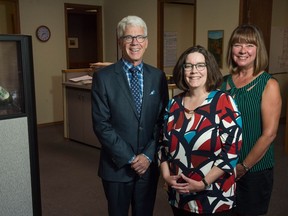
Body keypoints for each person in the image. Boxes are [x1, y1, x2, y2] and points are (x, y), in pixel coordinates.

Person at [91, 15, 169, 216]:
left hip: (148, 167)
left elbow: (162, 121)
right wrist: (131, 158)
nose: (135, 42)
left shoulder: (158, 77)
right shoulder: (103, 77)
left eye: (140, 37)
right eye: (128, 37)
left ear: (146, 42)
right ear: (120, 42)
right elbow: (101, 124)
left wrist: (147, 155)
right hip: (116, 167)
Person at [158, 45, 243, 215]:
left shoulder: (224, 102)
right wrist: (166, 176)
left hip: (215, 197)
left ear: (209, 68)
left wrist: (203, 183)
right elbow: (162, 145)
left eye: (200, 65)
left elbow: (231, 152)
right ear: (182, 70)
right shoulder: (173, 105)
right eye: (188, 66)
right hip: (180, 196)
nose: (193, 70)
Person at [220, 24, 282, 216]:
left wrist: (244, 166)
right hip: (223, 167)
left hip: (255, 170)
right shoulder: (223, 83)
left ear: (258, 49)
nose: (243, 50)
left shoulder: (268, 84)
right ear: (231, 49)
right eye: (237, 44)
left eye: (249, 45)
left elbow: (269, 134)